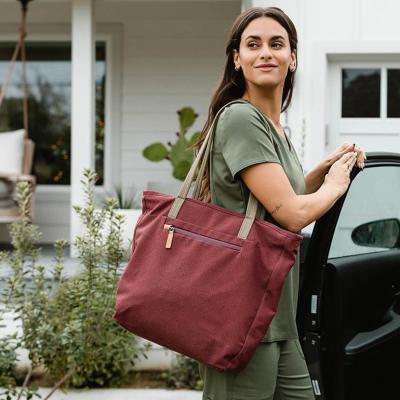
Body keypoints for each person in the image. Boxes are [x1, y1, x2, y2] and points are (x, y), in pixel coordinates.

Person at [192, 6, 367, 400]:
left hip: (276, 319)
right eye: (252, 45)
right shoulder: (240, 118)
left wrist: (323, 170)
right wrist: (336, 185)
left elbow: (275, 204)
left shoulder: (274, 129)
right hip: (242, 315)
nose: (265, 53)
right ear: (237, 59)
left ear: (293, 58)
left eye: (277, 44)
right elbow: (290, 215)